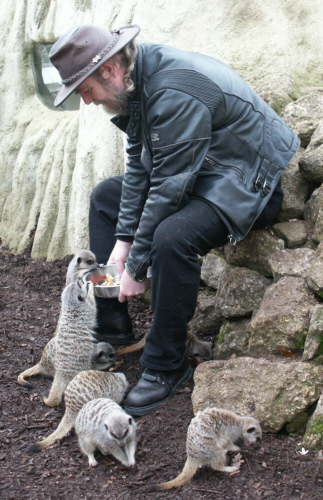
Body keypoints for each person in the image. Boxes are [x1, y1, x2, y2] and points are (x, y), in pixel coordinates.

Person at [49, 24, 300, 416]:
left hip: (248, 182)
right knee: (104, 199)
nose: (85, 100)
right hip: (202, 173)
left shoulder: (170, 90)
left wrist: (134, 265)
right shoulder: (136, 82)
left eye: (85, 89)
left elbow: (168, 189)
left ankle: (166, 364)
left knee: (171, 237)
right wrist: (123, 239)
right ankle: (112, 321)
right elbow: (140, 167)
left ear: (110, 70)